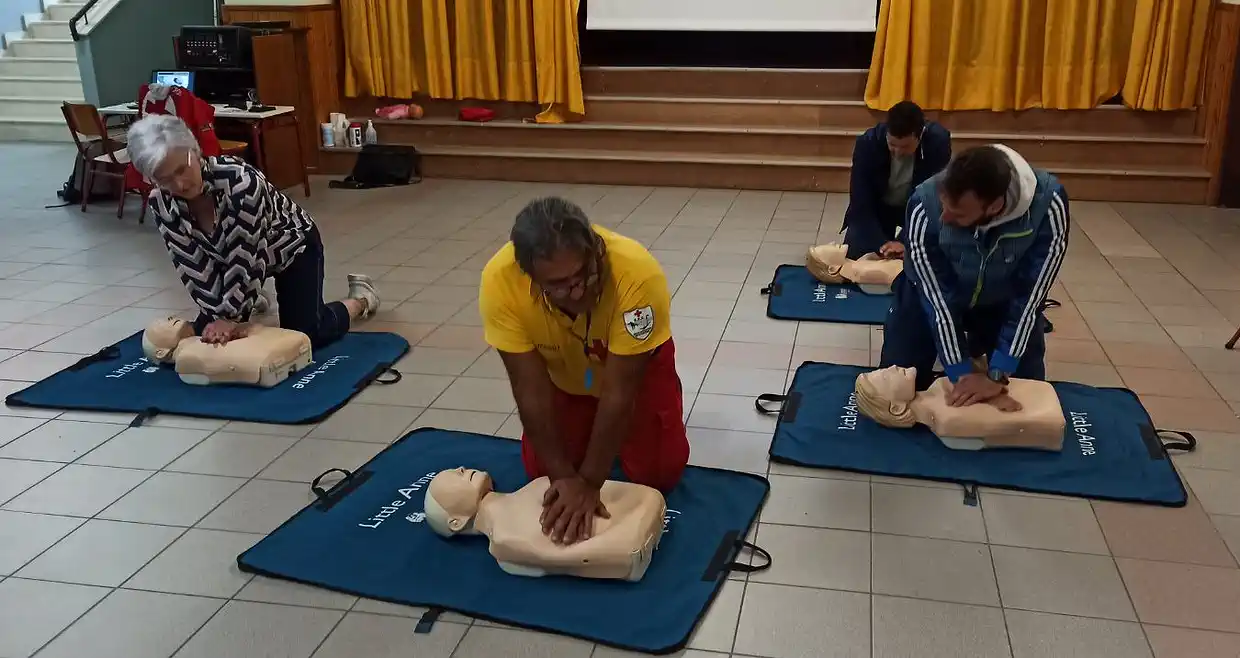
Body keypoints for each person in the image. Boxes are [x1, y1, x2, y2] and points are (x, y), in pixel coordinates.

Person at [480, 197, 689, 546]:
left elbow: (620, 393)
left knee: (659, 473)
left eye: (583, 274)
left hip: (636, 372)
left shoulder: (636, 273)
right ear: (529, 275)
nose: (577, 292)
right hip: (562, 375)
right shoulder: (500, 282)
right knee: (541, 474)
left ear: (594, 250)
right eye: (559, 285)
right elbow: (530, 389)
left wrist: (590, 482)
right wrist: (564, 478)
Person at [125, 114, 380, 348]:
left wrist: (231, 317)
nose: (179, 184)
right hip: (234, 257)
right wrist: (218, 315)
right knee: (207, 329)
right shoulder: (161, 202)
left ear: (195, 150)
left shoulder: (241, 182)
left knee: (305, 336)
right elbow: (192, 266)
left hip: (291, 244)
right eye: (165, 179)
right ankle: (250, 299)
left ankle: (361, 300)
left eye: (182, 169)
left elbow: (247, 257)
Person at [879, 144, 1069, 407]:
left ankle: (983, 353)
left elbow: (1030, 295)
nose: (945, 217)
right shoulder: (925, 204)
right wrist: (960, 371)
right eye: (944, 205)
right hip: (928, 297)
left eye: (957, 214)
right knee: (894, 389)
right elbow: (937, 299)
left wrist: (999, 373)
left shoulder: (1048, 205)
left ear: (994, 207)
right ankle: (965, 355)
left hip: (1001, 300)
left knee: (1026, 394)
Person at [842, 100, 951, 260]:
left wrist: (902, 241)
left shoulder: (937, 143)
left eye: (905, 147)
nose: (898, 152)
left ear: (920, 135)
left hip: (915, 207)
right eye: (892, 144)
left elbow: (932, 199)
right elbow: (860, 199)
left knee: (926, 256)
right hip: (878, 207)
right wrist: (882, 244)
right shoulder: (868, 143)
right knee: (857, 259)